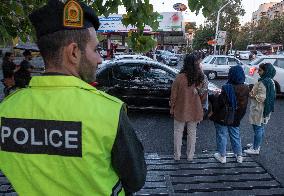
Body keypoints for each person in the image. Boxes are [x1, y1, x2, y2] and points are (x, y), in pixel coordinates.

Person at [0, 0, 146, 196]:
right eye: (95, 50)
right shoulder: (108, 111)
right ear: (74, 53)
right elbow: (136, 179)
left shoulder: (6, 110)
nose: (100, 59)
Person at [209, 66, 249, 163]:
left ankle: (222, 156)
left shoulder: (227, 88)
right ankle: (239, 156)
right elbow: (243, 106)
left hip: (223, 117)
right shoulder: (246, 88)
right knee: (235, 135)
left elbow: (218, 105)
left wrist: (215, 96)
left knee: (222, 135)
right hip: (236, 117)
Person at [170, 54, 206, 161]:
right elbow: (204, 95)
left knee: (178, 132)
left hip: (180, 109)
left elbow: (173, 95)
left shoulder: (179, 77)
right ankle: (190, 156)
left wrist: (172, 107)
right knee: (192, 133)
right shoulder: (200, 77)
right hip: (195, 108)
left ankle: (177, 156)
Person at [244, 63, 276, 155]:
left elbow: (261, 97)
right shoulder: (270, 81)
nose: (258, 72)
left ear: (266, 71)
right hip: (266, 108)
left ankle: (255, 148)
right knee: (261, 127)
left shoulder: (263, 82)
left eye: (260, 70)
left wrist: (251, 95)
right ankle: (256, 144)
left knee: (257, 128)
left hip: (259, 109)